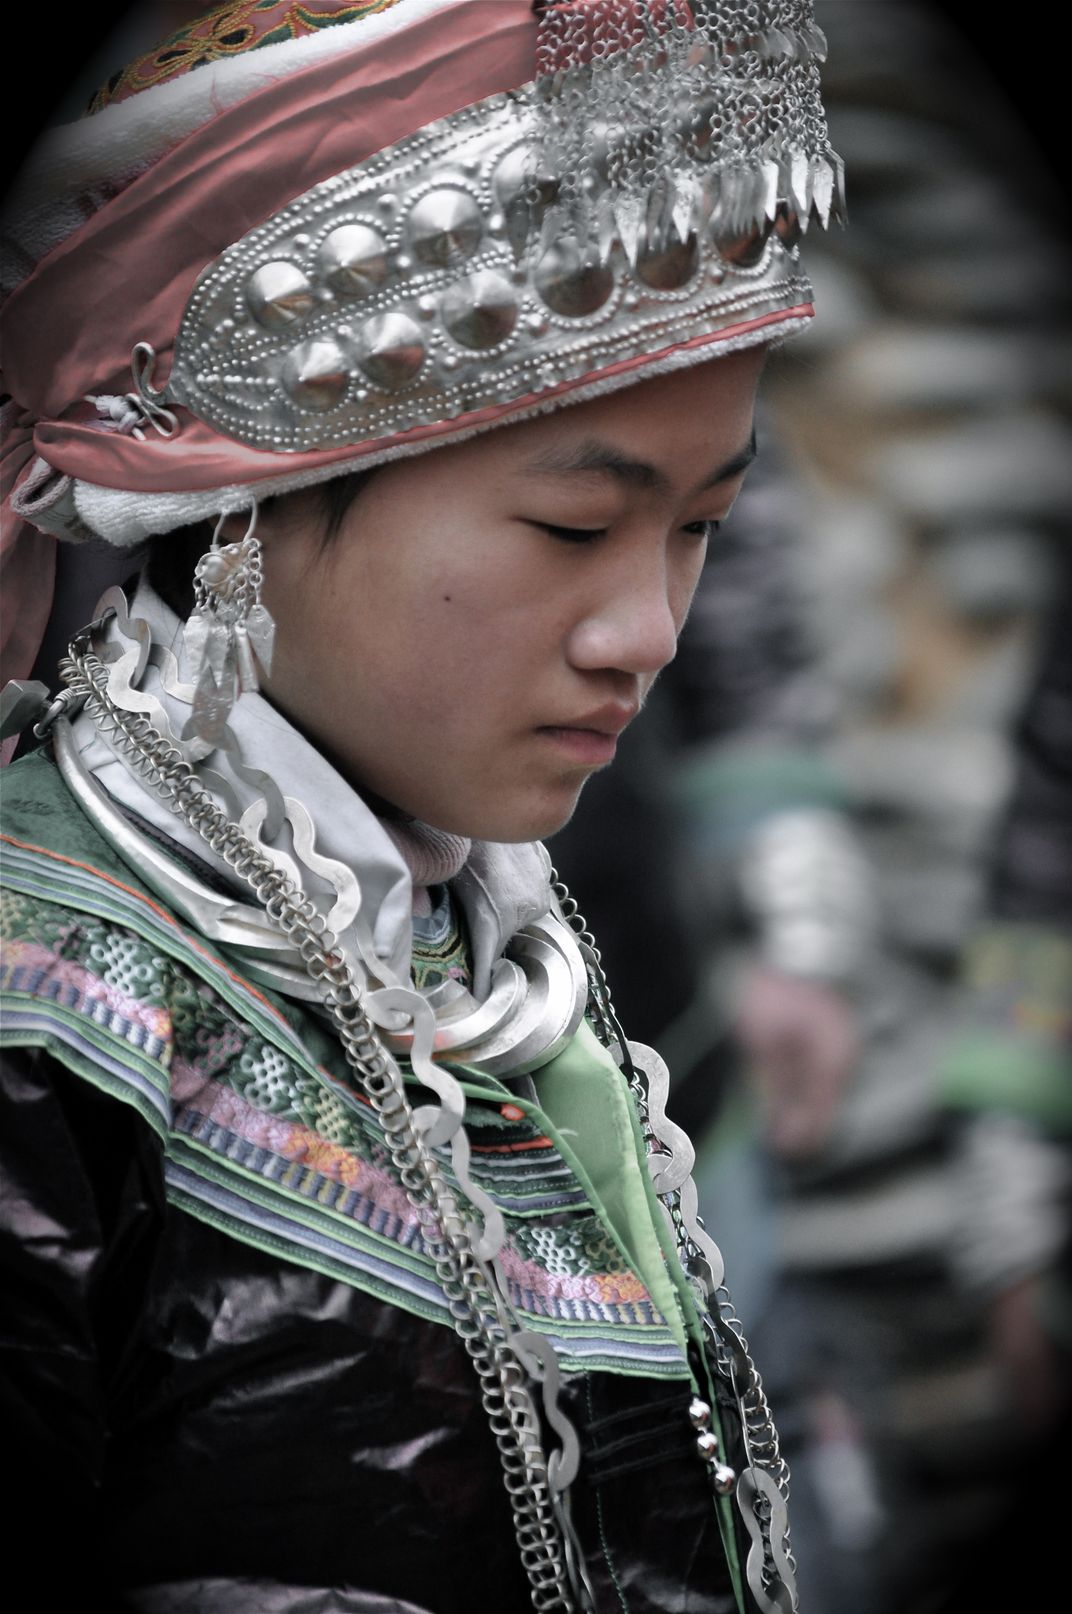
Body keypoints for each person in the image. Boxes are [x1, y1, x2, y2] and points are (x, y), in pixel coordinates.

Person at [0, 3, 844, 1610]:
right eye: (571, 524)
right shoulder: (45, 1017)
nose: (646, 633)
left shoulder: (499, 941)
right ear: (240, 508)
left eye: (698, 528)